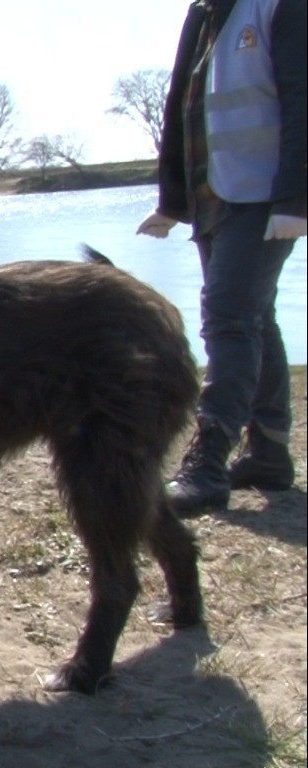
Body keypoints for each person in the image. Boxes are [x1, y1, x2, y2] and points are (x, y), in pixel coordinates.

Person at [136, 0, 305, 513]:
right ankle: (270, 451)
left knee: (228, 317)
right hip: (215, 195)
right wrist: (172, 201)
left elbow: (303, 101)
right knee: (254, 316)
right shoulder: (205, 11)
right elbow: (182, 106)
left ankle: (207, 464)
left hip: (264, 196)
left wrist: (295, 199)